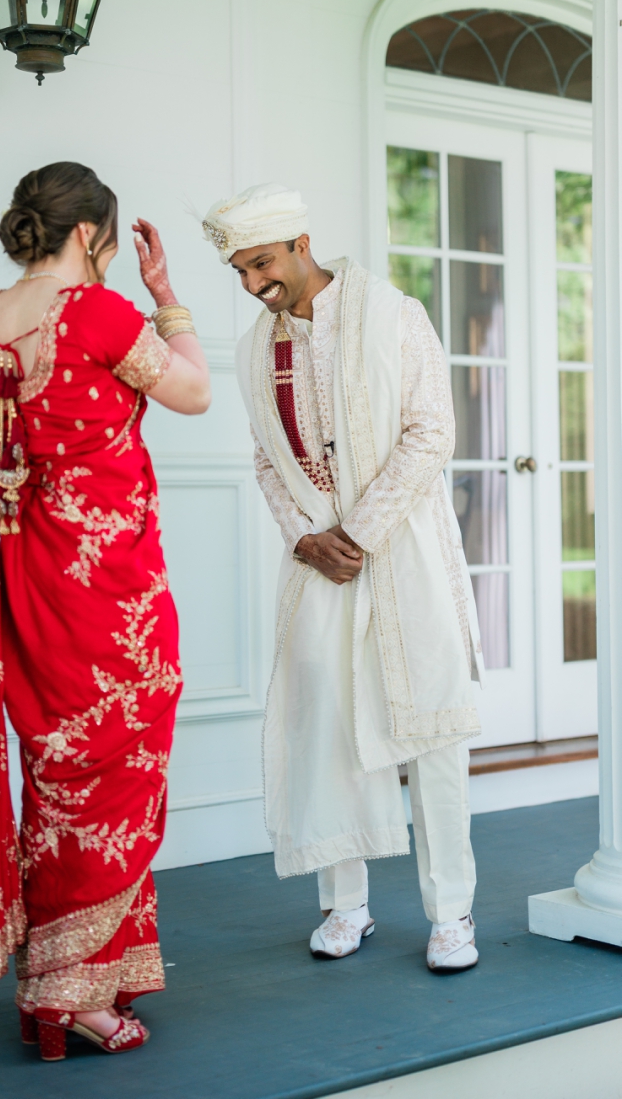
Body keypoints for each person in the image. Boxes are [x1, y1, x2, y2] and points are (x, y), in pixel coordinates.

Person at [0, 162, 211, 1062]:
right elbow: (193, 391)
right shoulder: (100, 314)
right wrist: (168, 298)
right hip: (109, 586)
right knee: (117, 771)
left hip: (22, 581)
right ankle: (69, 995)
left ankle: (84, 974)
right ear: (91, 234)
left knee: (60, 774)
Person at [206, 183, 484, 974]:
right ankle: (346, 905)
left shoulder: (395, 314)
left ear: (299, 243)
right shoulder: (255, 347)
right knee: (326, 725)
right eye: (238, 270)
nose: (254, 281)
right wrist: (306, 537)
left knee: (433, 734)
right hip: (319, 565)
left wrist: (357, 532)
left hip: (404, 554)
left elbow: (432, 431)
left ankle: (452, 914)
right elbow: (268, 458)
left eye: (261, 262)